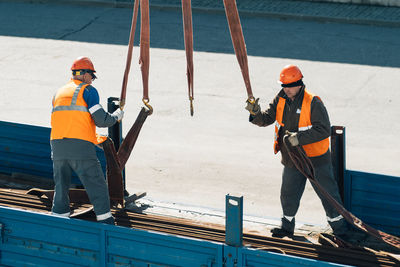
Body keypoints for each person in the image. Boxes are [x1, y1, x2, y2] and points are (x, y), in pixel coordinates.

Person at [245, 64, 348, 238]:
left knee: (328, 195)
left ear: (299, 83)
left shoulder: (313, 102)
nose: (286, 90)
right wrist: (255, 113)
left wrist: (298, 138)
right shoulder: (280, 99)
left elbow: (323, 129)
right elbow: (266, 119)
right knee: (288, 194)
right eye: (283, 86)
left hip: (316, 160)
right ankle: (286, 227)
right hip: (292, 159)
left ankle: (341, 231)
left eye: (290, 86)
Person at [50, 56, 124, 224]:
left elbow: (67, 119)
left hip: (57, 145)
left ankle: (59, 217)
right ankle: (105, 220)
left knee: (61, 184)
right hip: (80, 146)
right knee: (95, 182)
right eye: (92, 76)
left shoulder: (59, 92)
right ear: (84, 74)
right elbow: (101, 120)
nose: (92, 80)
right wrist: (117, 116)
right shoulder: (88, 90)